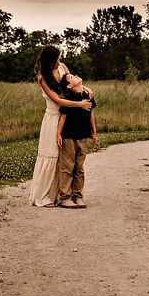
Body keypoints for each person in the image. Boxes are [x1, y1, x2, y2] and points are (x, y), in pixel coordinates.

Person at [28, 45, 93, 208]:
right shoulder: (43, 78)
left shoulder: (63, 67)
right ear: (49, 61)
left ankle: (65, 193)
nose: (59, 61)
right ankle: (46, 196)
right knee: (52, 155)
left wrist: (85, 88)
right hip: (53, 118)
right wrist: (79, 105)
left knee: (67, 159)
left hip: (68, 117)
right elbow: (57, 100)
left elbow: (71, 85)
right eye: (56, 59)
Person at [56, 72, 98, 209]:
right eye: (71, 77)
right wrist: (58, 133)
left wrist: (94, 133)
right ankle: (65, 197)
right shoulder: (69, 99)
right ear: (69, 85)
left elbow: (91, 115)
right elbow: (63, 117)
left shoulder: (88, 95)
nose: (75, 76)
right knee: (67, 166)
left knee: (79, 167)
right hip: (69, 136)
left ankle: (78, 195)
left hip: (83, 136)